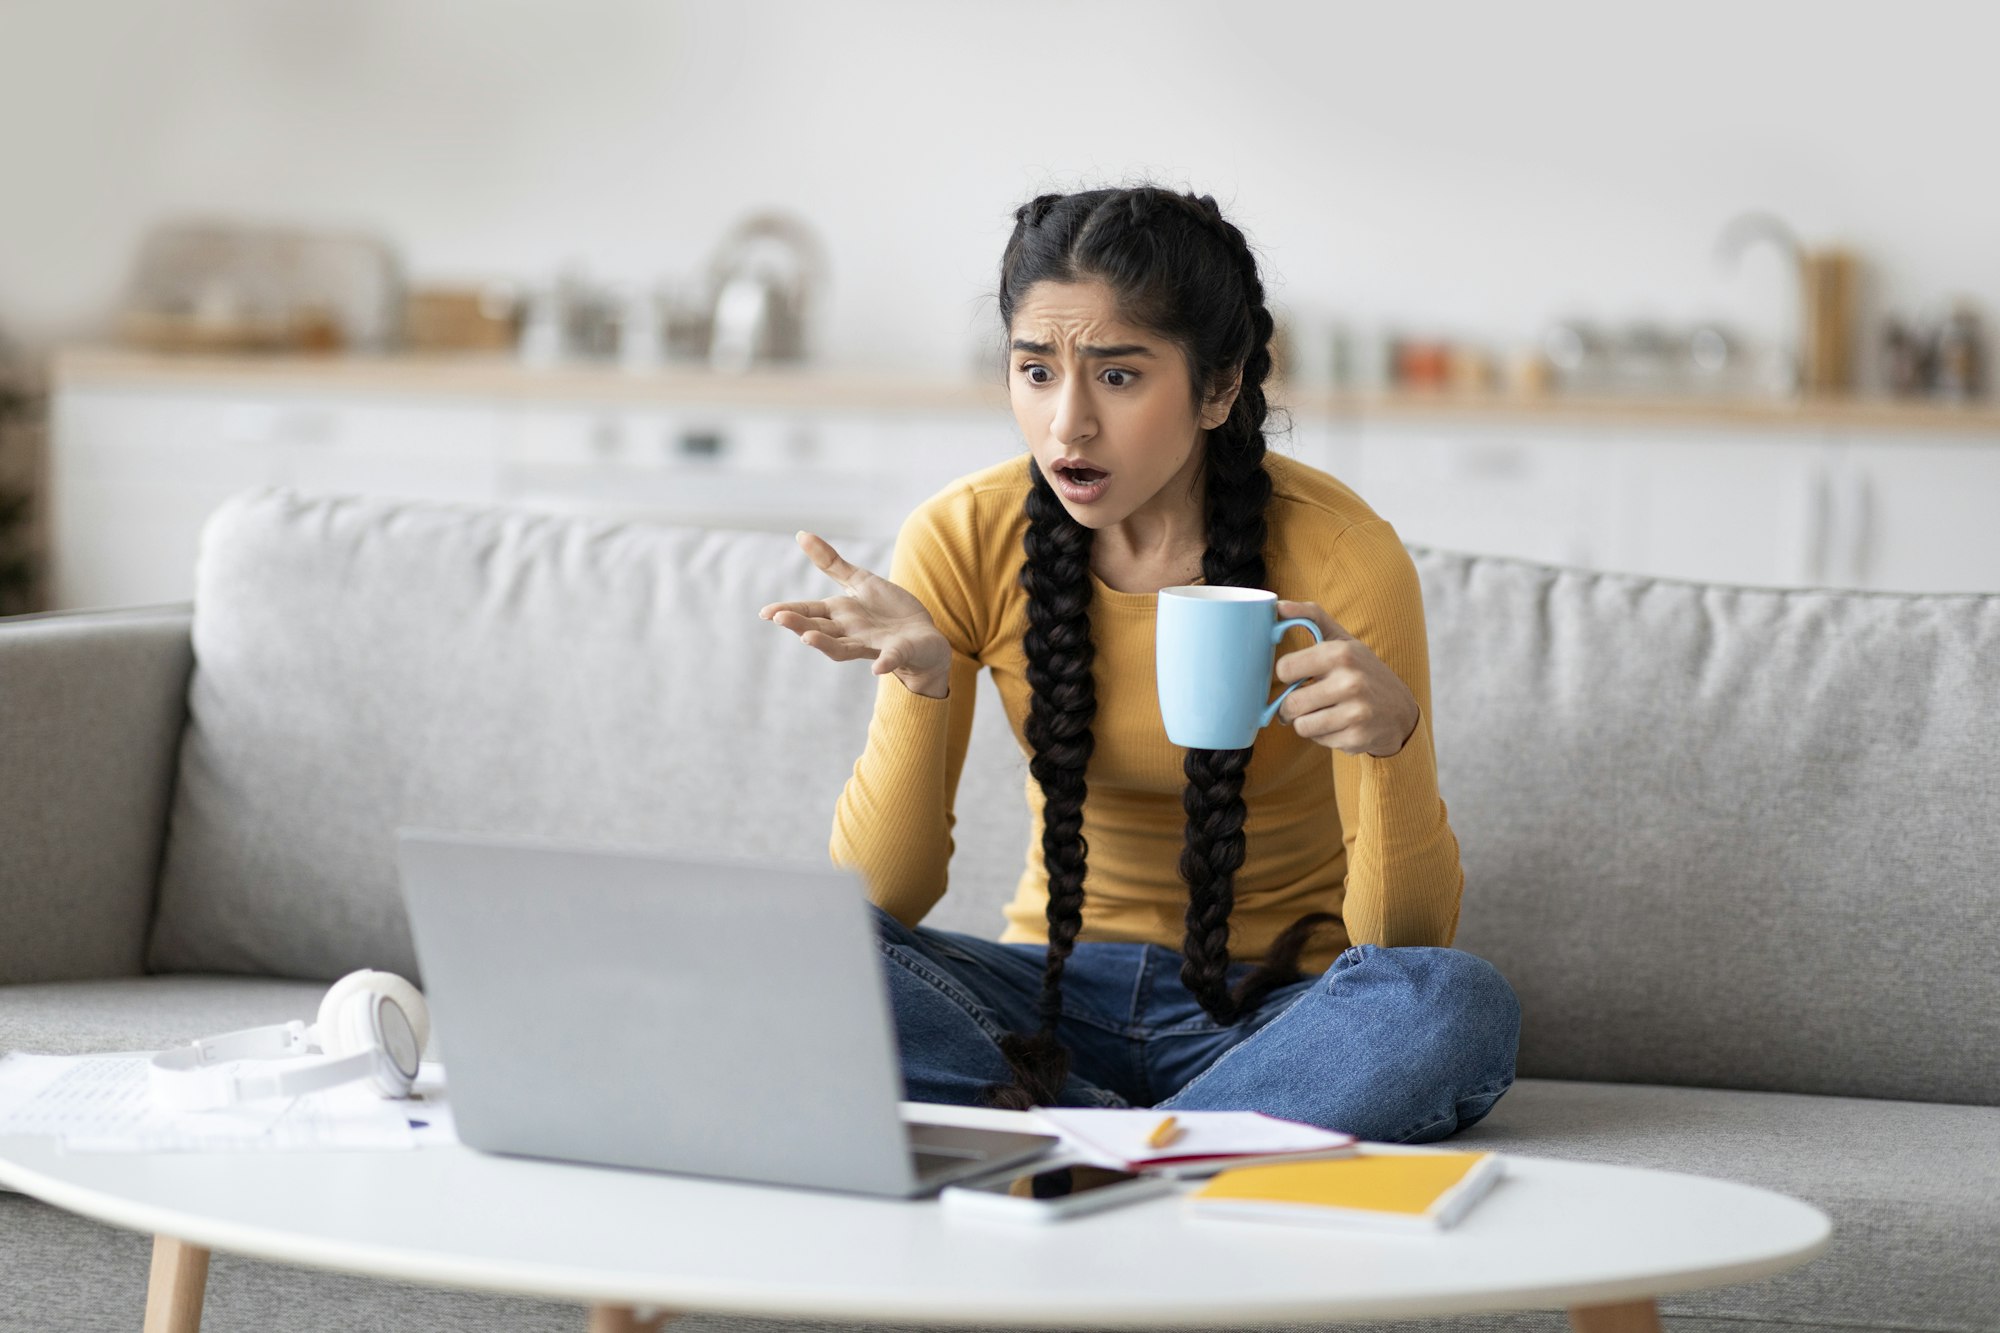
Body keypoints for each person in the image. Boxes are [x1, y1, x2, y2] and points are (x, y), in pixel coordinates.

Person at [759, 185, 1519, 1143]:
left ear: (1218, 386)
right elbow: (886, 901)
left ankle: (1070, 1144)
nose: (1067, 425)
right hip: (1039, 1007)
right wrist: (917, 683)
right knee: (794, 949)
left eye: (1117, 378)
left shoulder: (1345, 557)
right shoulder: (964, 535)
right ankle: (1175, 1148)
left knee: (1454, 1003)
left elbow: (1399, 941)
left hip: (1270, 1016)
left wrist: (1394, 742)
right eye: (1036, 372)